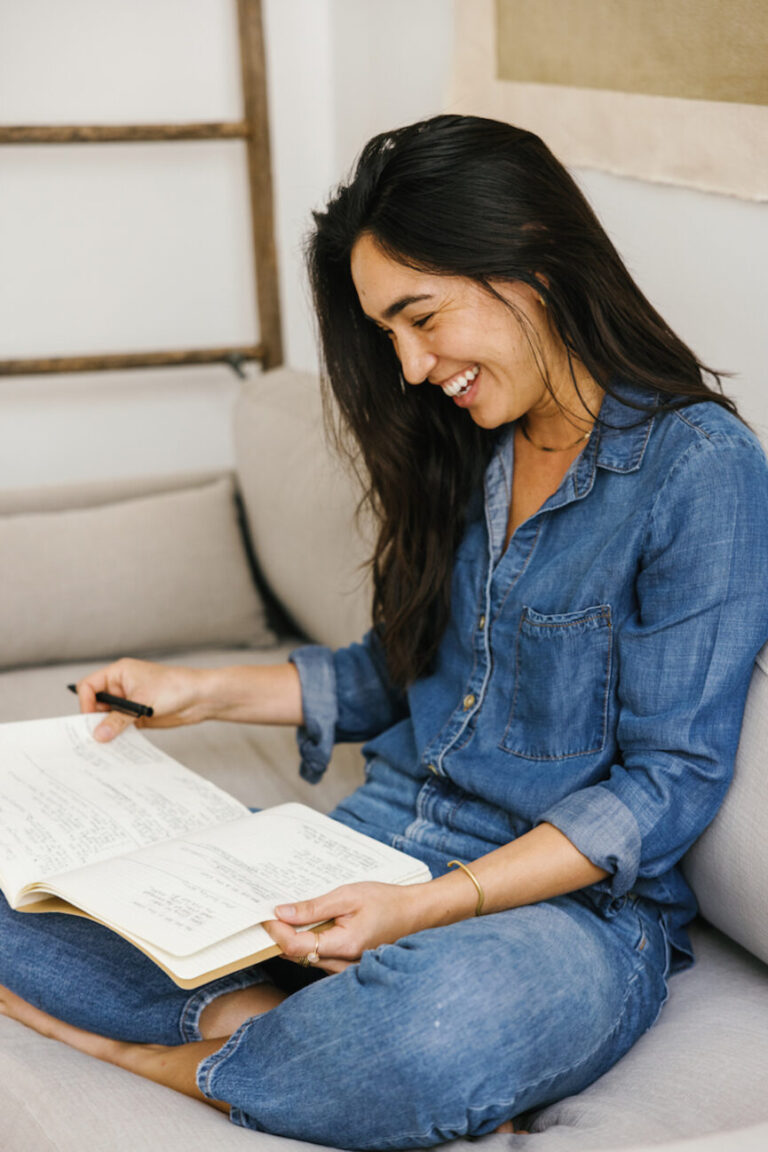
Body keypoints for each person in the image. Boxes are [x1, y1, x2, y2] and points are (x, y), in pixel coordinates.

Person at [2, 114, 768, 1148]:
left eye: (421, 318)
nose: (408, 369)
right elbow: (397, 675)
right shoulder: (468, 444)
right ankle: (258, 1032)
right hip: (359, 853)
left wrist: (426, 910)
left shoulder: (699, 467)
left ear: (529, 250)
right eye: (388, 336)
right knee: (30, 889)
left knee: (438, 1032)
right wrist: (199, 690)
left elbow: (668, 783)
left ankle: (168, 1055)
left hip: (559, 917)